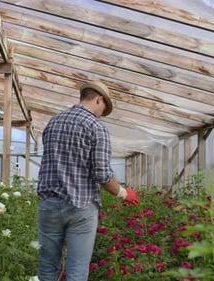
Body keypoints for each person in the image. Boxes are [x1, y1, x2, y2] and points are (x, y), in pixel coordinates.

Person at [36, 80, 139, 281]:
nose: (101, 113)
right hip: (80, 207)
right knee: (77, 270)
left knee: (47, 266)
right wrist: (124, 193)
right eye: (104, 108)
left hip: (49, 204)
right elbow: (101, 173)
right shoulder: (95, 126)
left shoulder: (53, 122)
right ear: (99, 99)